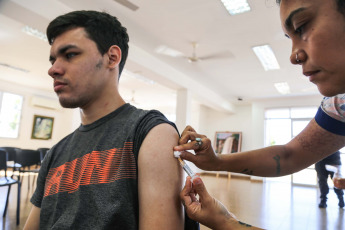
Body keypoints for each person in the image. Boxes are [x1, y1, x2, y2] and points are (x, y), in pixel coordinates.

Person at [175, 0, 345, 228]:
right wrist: (215, 161)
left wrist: (226, 223)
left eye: (302, 26)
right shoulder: (339, 105)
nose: (294, 56)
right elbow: (288, 155)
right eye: (289, 38)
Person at [23, 10, 198, 230]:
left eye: (70, 55)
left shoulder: (150, 132)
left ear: (112, 57)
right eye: (53, 59)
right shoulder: (56, 153)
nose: (53, 69)